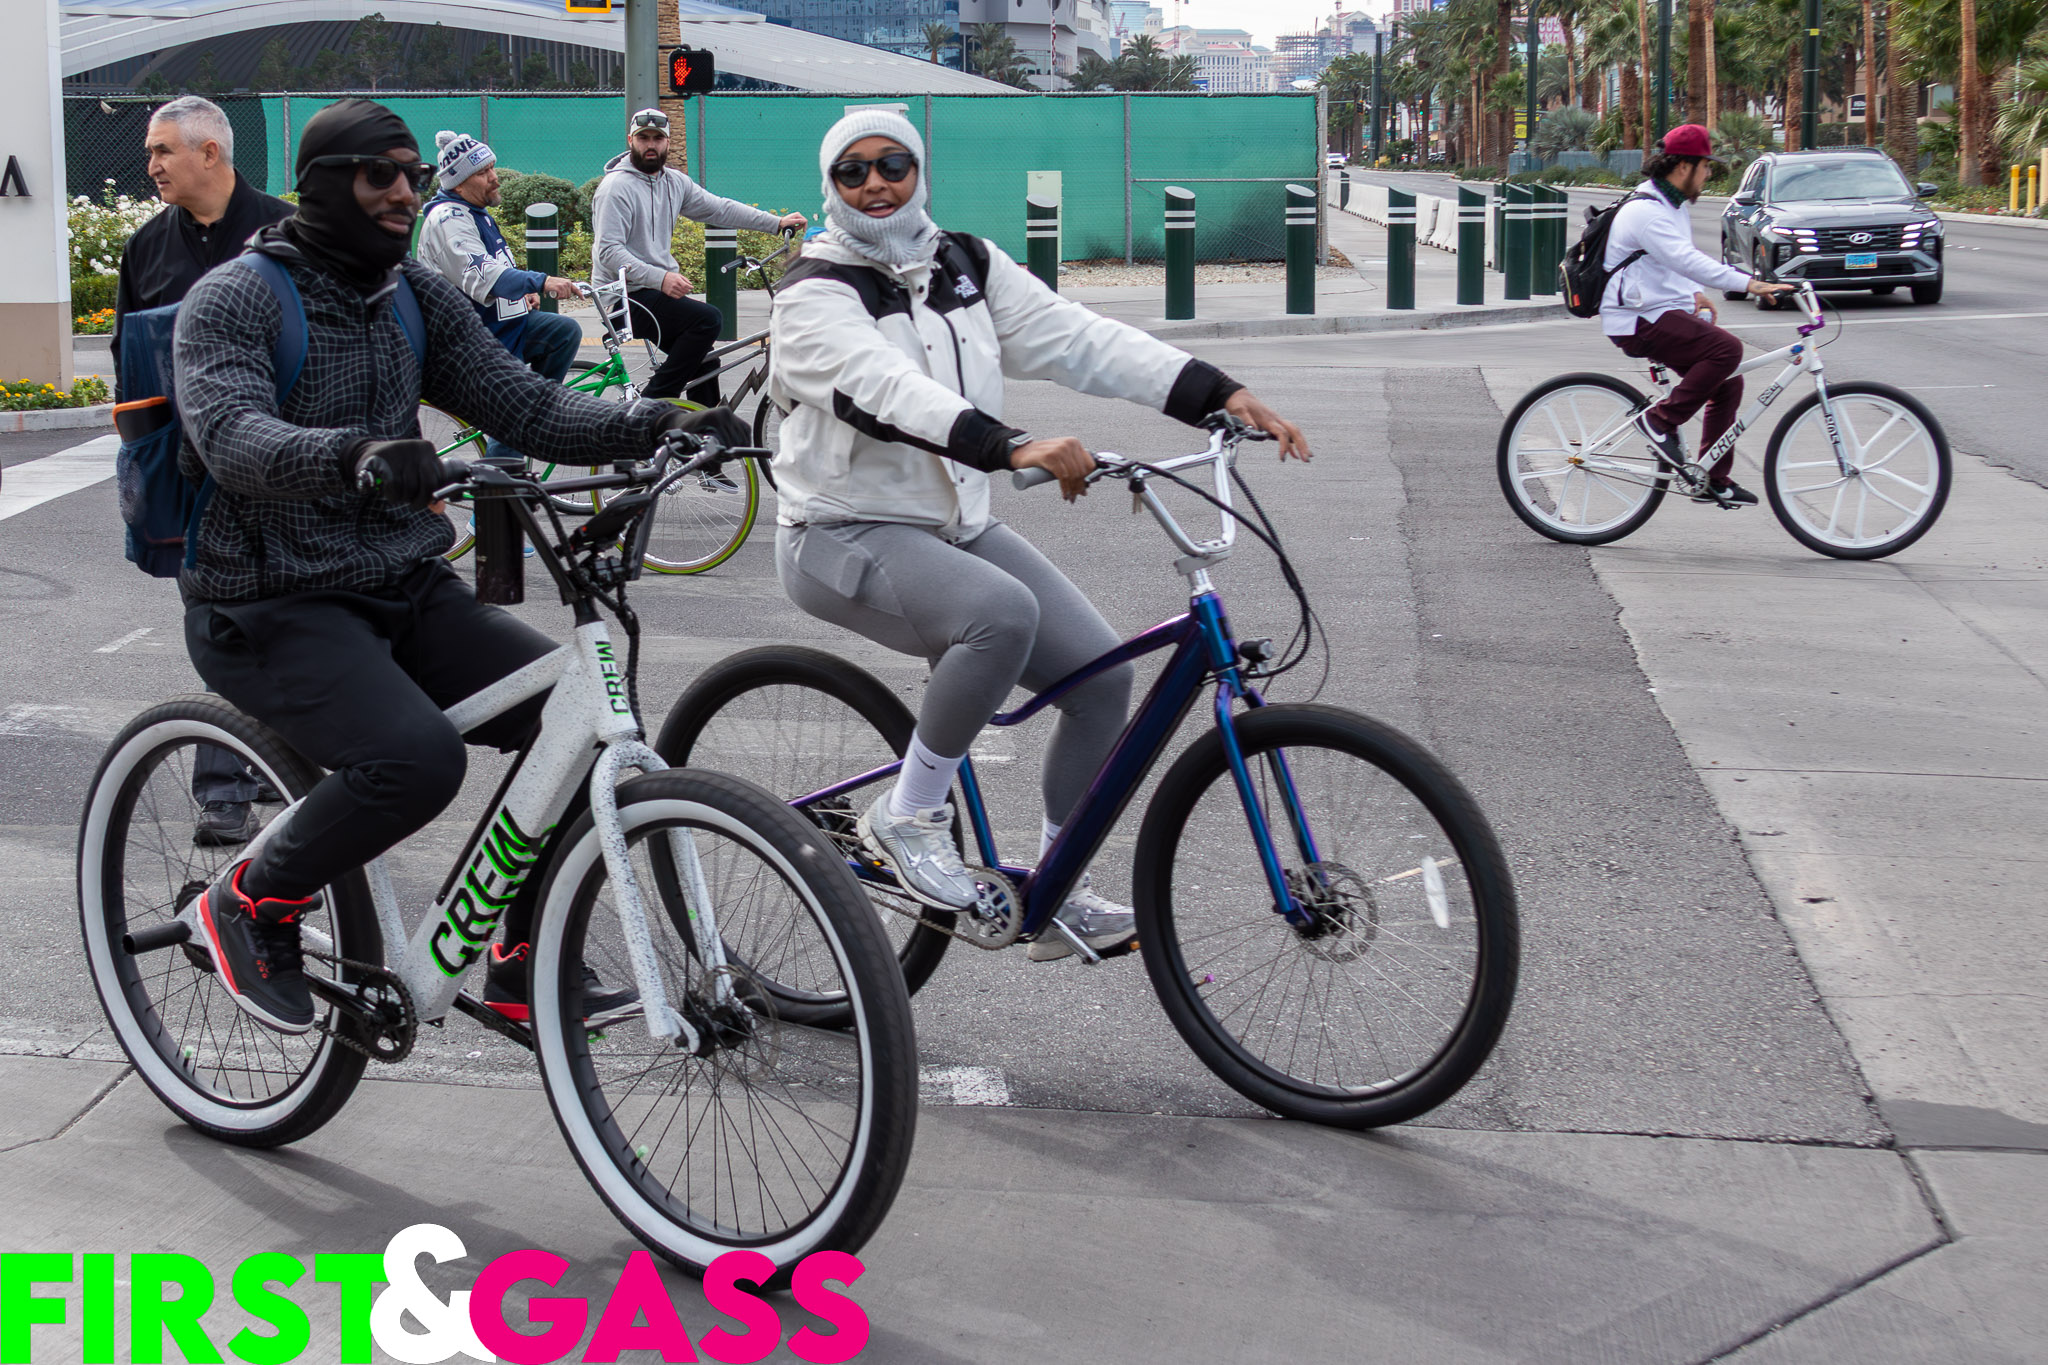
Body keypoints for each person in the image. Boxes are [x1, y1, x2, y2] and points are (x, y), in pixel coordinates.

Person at [173, 100, 742, 1035]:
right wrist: (354, 454)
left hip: (402, 580)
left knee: (575, 725)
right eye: (381, 174)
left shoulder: (411, 294)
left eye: (411, 174)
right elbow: (232, 434)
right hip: (270, 602)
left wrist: (657, 422)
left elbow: (526, 405)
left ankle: (524, 957)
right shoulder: (237, 298)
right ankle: (248, 902)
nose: (405, 191)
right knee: (414, 760)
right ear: (321, 185)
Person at [767, 109, 1308, 962]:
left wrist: (1214, 391)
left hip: (953, 523)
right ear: (831, 185)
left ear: (919, 171)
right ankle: (908, 815)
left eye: (893, 164)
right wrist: (1009, 445)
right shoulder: (814, 293)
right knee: (998, 614)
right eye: (853, 171)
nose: (876, 184)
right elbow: (883, 390)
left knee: (1101, 678)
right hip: (840, 531)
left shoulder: (963, 264)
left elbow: (1078, 339)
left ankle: (1057, 888)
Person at [113, 94, 293, 848]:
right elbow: (130, 376)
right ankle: (226, 790)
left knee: (291, 623)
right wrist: (144, 476)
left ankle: (278, 762)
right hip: (195, 484)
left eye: (163, 151)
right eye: (150, 153)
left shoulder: (288, 233)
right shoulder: (147, 249)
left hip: (286, 472)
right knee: (222, 625)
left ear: (209, 152)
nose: (152, 165)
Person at [1602, 123, 1793, 505]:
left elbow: (1672, 259)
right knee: (1727, 350)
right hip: (1636, 319)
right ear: (1683, 166)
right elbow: (1686, 259)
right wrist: (1748, 283)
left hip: (1655, 310)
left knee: (1727, 382)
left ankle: (1712, 479)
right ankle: (1659, 421)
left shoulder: (1670, 205)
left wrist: (1694, 293)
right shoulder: (1646, 211)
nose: (1708, 174)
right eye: (1705, 166)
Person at [590, 107, 807, 406]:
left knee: (705, 362)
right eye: (643, 138)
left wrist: (776, 223)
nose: (650, 145)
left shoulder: (674, 182)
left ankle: (701, 430)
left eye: (657, 138)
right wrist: (661, 278)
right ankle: (648, 409)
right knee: (707, 319)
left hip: (652, 293)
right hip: (623, 298)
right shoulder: (615, 189)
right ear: (630, 140)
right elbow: (608, 251)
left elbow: (719, 208)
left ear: (668, 143)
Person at [414, 130, 584, 463]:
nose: (494, 177)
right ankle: (495, 490)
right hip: (470, 344)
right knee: (516, 414)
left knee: (563, 332)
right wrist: (541, 281)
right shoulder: (449, 219)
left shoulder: (474, 211)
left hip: (501, 331)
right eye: (482, 172)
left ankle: (536, 415)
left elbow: (494, 267)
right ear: (459, 184)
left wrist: (522, 295)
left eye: (492, 167)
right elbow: (484, 276)